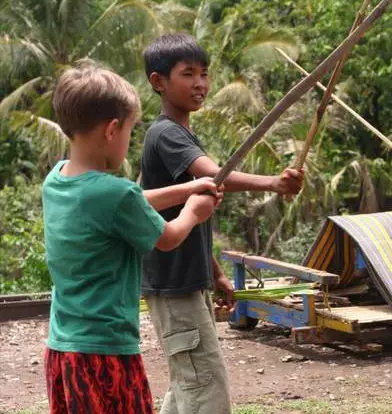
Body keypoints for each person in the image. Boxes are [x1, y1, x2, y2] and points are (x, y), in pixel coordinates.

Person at [42, 64, 223, 413]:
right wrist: (194, 211)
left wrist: (185, 188)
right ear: (113, 130)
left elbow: (122, 206)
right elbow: (167, 237)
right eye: (129, 130)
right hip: (106, 351)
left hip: (62, 349)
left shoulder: (57, 180)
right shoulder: (117, 194)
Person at [140, 33, 304, 414]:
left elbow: (192, 217)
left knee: (189, 385)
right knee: (205, 389)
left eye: (204, 74)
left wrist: (214, 274)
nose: (200, 83)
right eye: (188, 74)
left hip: (184, 282)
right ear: (158, 82)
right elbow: (214, 178)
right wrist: (274, 184)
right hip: (174, 284)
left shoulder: (181, 133)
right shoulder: (166, 133)